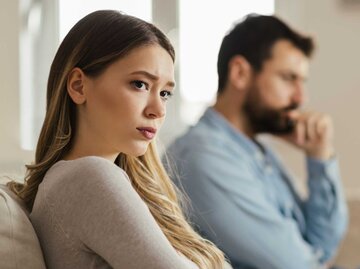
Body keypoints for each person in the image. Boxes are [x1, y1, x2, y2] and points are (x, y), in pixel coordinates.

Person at [7, 10, 230, 269]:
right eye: (140, 84)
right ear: (79, 86)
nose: (158, 110)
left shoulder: (73, 182)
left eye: (166, 93)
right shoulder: (88, 177)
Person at [165, 14, 348, 269]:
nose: (301, 97)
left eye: (302, 81)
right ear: (240, 73)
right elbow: (298, 265)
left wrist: (319, 155)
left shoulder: (254, 149)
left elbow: (324, 246)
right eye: (288, 78)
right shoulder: (203, 157)